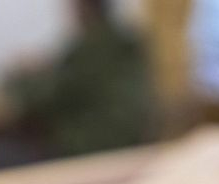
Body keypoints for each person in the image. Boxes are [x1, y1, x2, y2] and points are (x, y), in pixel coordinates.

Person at [10, 0, 157, 157]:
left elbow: (48, 94)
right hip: (133, 139)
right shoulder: (125, 40)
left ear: (83, 8)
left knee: (3, 152)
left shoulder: (86, 49)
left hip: (91, 144)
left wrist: (20, 79)